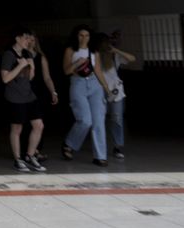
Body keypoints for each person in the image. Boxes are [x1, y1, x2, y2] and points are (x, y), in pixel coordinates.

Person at [61, 25, 111, 166]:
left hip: (95, 84)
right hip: (78, 83)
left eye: (87, 35)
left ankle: (100, 156)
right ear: (76, 36)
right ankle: (69, 143)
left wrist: (106, 88)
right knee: (85, 120)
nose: (84, 38)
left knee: (98, 121)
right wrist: (77, 63)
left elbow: (98, 70)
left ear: (90, 37)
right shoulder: (70, 50)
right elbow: (66, 71)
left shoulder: (94, 51)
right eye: (81, 35)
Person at [0, 27, 47, 173]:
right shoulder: (9, 55)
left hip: (29, 95)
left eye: (29, 38)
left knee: (39, 125)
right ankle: (18, 159)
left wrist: (32, 68)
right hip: (15, 97)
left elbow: (30, 78)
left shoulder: (27, 54)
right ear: (17, 38)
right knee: (17, 128)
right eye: (26, 38)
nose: (28, 41)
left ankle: (30, 155)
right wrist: (20, 65)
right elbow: (5, 78)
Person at [96, 31, 136, 159]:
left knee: (116, 118)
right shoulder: (94, 56)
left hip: (115, 91)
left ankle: (117, 145)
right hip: (98, 90)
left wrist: (116, 50)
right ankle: (100, 146)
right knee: (99, 119)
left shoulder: (114, 56)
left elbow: (132, 58)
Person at [25, 32, 59, 160]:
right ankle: (27, 151)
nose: (31, 42)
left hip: (39, 93)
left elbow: (47, 77)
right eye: (28, 40)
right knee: (25, 123)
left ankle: (36, 150)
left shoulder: (41, 57)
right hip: (23, 92)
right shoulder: (21, 56)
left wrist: (53, 92)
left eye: (33, 40)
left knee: (39, 122)